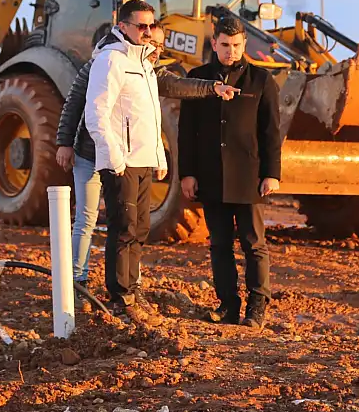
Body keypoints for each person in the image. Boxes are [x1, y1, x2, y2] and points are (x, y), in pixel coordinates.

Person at [55, 25, 238, 288]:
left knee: (131, 224)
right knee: (88, 218)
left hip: (124, 161)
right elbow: (76, 104)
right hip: (91, 155)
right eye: (154, 43)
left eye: (162, 46)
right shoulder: (103, 64)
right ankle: (77, 279)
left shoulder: (149, 72)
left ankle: (132, 279)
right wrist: (65, 142)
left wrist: (212, 88)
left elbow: (175, 89)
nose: (157, 50)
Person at [178, 14, 282, 329]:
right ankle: (228, 305)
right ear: (214, 43)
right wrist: (188, 173)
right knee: (219, 244)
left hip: (249, 177)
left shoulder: (261, 81)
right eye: (225, 45)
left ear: (244, 44)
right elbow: (187, 132)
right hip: (211, 176)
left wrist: (271, 173)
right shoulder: (197, 78)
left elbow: (271, 132)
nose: (231, 51)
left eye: (236, 45)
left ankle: (256, 308)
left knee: (253, 243)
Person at [81, 0, 176, 320]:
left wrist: (158, 155)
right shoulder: (111, 60)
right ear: (122, 26)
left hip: (143, 159)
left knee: (140, 227)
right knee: (123, 228)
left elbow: (151, 116)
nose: (148, 32)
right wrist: (114, 158)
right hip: (122, 161)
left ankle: (133, 289)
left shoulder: (145, 63)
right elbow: (97, 114)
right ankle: (120, 297)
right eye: (141, 26)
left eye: (151, 26)